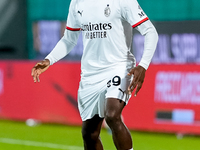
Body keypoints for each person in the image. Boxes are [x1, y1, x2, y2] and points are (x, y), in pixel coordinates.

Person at [31, 0, 158, 149]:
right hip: (91, 74)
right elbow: (69, 39)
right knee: (89, 133)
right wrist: (49, 59)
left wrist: (143, 66)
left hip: (119, 66)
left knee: (112, 115)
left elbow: (150, 31)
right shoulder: (77, 3)